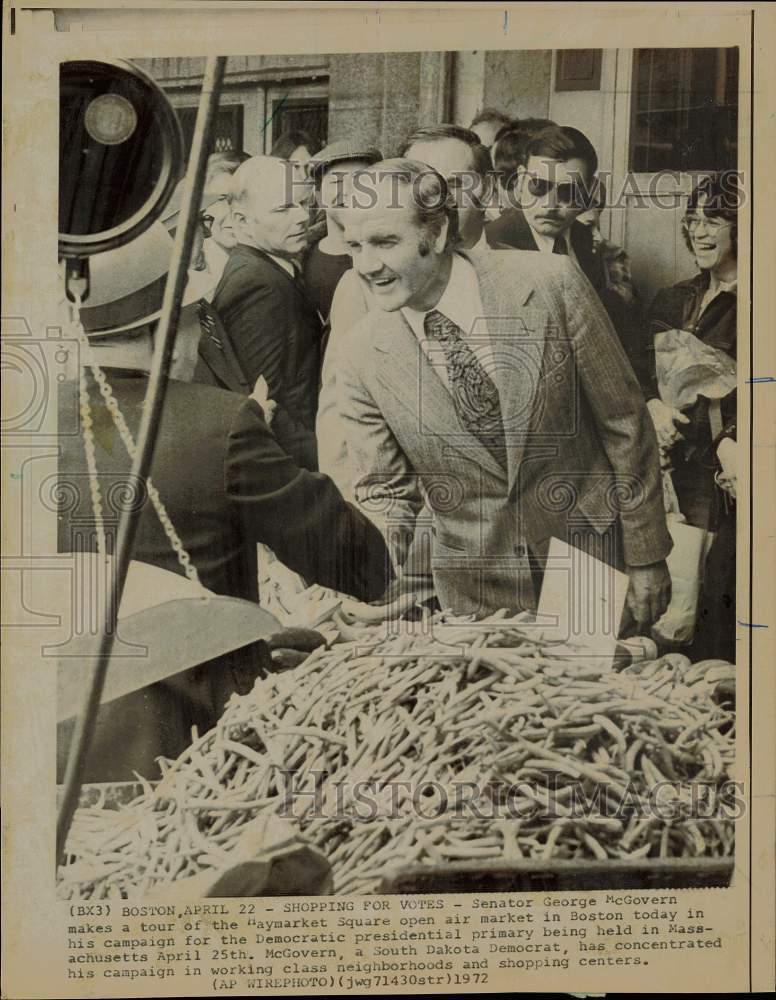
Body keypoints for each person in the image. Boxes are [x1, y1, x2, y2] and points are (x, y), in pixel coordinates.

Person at [58, 222, 393, 779]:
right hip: (189, 747)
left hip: (45, 744)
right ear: (174, 327)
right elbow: (361, 564)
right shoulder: (220, 423)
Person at [333, 159, 672, 624]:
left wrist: (646, 554)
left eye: (385, 242)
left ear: (435, 233)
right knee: (505, 697)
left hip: (585, 551)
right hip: (475, 588)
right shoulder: (360, 354)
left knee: (591, 694)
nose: (366, 266)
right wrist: (363, 576)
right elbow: (386, 493)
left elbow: (625, 423)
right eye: (354, 245)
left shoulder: (550, 283)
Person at [642, 174, 737, 661]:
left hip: (718, 481)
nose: (700, 231)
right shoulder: (672, 299)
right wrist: (653, 406)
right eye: (693, 219)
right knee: (655, 602)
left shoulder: (756, 305)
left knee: (698, 608)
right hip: (661, 470)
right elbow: (635, 372)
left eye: (715, 219)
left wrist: (728, 435)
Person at [485, 123, 646, 382]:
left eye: (567, 192)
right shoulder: (491, 242)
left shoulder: (584, 241)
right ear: (521, 177)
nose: (550, 205)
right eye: (538, 186)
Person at [212, 156, 322, 470]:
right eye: (283, 208)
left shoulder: (269, 267)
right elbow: (269, 403)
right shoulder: (256, 283)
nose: (302, 216)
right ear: (241, 221)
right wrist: (324, 465)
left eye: (303, 203)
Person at [303, 140, 383, 324]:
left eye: (360, 180)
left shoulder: (391, 256)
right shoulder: (299, 259)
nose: (348, 190)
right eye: (337, 181)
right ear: (319, 196)